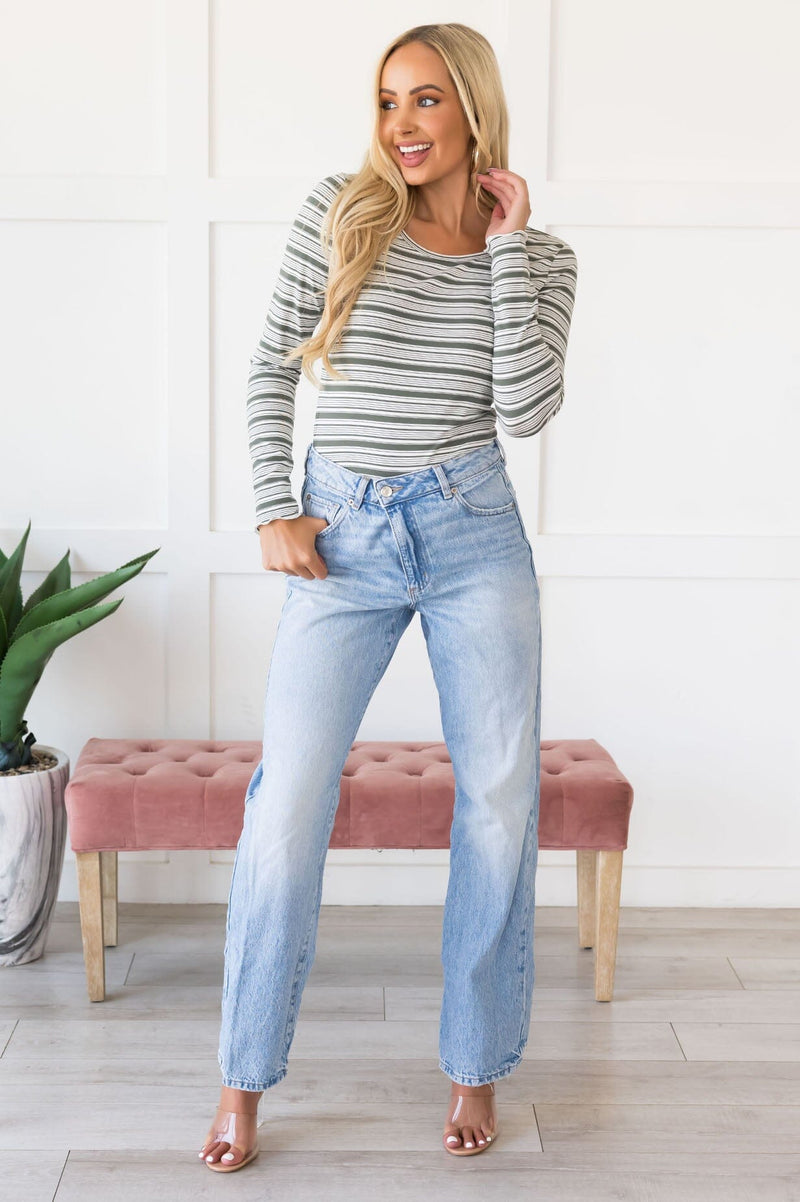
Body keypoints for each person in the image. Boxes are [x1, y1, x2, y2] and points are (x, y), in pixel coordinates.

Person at [199, 21, 578, 1173]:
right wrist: (274, 505)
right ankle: (241, 1077)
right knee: (286, 799)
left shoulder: (543, 258)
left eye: (423, 100)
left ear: (472, 107)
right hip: (343, 535)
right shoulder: (342, 209)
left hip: (472, 530)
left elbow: (525, 410)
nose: (400, 124)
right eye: (385, 101)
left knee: (499, 798)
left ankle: (474, 1063)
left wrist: (505, 248)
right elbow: (268, 363)